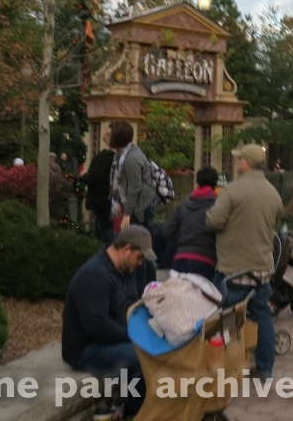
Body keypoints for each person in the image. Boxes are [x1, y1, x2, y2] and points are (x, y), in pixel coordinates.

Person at [206, 143, 282, 378]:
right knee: (262, 315)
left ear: (247, 163)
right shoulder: (273, 193)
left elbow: (214, 221)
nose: (237, 162)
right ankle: (265, 367)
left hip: (234, 268)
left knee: (227, 316)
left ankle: (227, 365)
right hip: (263, 268)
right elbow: (275, 221)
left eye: (240, 159)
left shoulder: (233, 190)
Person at [62, 225, 154, 417]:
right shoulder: (94, 276)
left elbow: (134, 304)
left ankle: (141, 408)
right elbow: (98, 327)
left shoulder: (127, 270)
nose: (140, 263)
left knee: (158, 349)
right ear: (126, 249)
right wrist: (136, 337)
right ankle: (136, 413)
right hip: (85, 349)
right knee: (141, 356)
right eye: (139, 257)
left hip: (112, 339)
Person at [109, 121, 157, 285]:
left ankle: (142, 288)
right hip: (137, 207)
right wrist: (119, 203)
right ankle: (147, 285)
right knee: (142, 247)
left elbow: (134, 188)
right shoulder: (123, 155)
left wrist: (127, 214)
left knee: (139, 249)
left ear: (117, 136)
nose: (105, 136)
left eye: (109, 133)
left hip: (139, 209)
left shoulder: (132, 159)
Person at [162, 167, 219, 282]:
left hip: (180, 259)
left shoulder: (183, 205)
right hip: (205, 260)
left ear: (197, 184)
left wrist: (184, 239)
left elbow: (167, 232)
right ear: (215, 185)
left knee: (180, 294)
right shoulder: (218, 205)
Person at [78, 129, 116, 245]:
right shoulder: (115, 157)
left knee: (106, 232)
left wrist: (84, 176)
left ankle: (114, 252)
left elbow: (95, 178)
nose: (104, 132)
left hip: (101, 199)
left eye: (108, 132)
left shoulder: (104, 157)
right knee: (105, 230)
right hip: (108, 198)